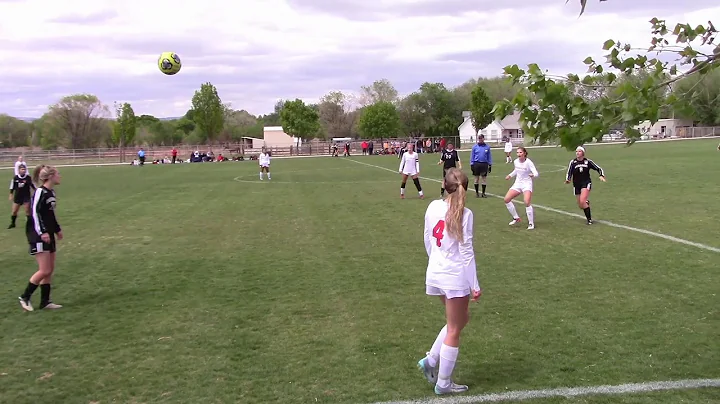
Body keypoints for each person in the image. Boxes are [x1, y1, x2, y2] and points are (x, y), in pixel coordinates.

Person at [417, 168, 481, 395]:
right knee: (455, 327)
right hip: (454, 276)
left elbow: (427, 238)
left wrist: (434, 262)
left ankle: (431, 360)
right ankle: (443, 382)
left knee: (460, 320)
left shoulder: (433, 206)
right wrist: (475, 284)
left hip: (437, 271)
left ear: (444, 185)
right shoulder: (466, 213)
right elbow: (467, 252)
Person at [18, 165, 63, 312]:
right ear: (50, 176)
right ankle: (25, 297)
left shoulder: (51, 192)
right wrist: (42, 232)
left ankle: (45, 302)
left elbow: (50, 214)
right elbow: (35, 213)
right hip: (38, 234)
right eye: (58, 174)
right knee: (44, 270)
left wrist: (57, 229)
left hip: (48, 233)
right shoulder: (39, 192)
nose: (60, 176)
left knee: (49, 270)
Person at [565, 146, 606, 225]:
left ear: (583, 153)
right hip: (576, 185)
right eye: (576, 151)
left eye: (579, 151)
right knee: (581, 205)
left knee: (582, 201)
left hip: (586, 183)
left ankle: (589, 220)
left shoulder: (588, 162)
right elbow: (569, 172)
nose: (577, 153)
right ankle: (586, 203)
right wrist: (568, 179)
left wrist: (601, 175)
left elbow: (598, 168)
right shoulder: (573, 162)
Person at [503, 147, 539, 230]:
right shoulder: (516, 161)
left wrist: (533, 175)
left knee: (526, 202)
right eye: (517, 152)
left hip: (527, 184)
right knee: (506, 199)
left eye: (520, 152)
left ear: (524, 153)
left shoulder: (529, 162)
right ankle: (516, 218)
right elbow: (516, 170)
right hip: (518, 184)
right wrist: (510, 175)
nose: (518, 154)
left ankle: (531, 223)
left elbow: (536, 173)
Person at [8, 164, 35, 229]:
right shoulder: (15, 178)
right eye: (22, 169)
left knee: (27, 211)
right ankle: (13, 223)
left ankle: (29, 225)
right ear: (19, 170)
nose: (23, 170)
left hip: (26, 197)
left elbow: (32, 186)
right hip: (18, 197)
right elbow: (12, 186)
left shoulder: (28, 178)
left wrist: (36, 191)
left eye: (24, 169)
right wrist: (11, 194)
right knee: (14, 211)